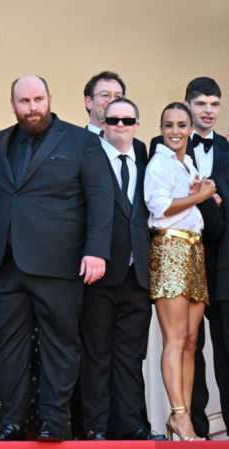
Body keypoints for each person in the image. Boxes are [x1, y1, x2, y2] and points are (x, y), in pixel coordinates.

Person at [0, 75, 113, 442]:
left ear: (50, 98)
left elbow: (100, 198)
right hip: (5, 263)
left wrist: (96, 250)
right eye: (24, 101)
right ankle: (12, 422)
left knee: (60, 344)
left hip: (59, 262)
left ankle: (53, 421)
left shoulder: (82, 142)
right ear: (13, 104)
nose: (32, 108)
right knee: (6, 347)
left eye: (37, 99)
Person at [78, 99, 162, 441]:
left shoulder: (147, 160)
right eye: (113, 120)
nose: (120, 125)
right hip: (101, 273)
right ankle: (95, 427)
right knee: (96, 356)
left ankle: (133, 426)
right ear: (103, 124)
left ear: (137, 125)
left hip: (137, 275)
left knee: (131, 358)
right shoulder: (90, 159)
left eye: (128, 120)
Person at [150, 78, 229, 439]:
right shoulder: (161, 155)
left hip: (208, 254)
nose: (208, 110)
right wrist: (203, 197)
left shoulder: (215, 153)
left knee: (198, 341)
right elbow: (158, 206)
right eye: (200, 104)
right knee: (179, 340)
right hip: (173, 251)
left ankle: (199, 424)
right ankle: (185, 420)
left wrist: (211, 198)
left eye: (214, 103)